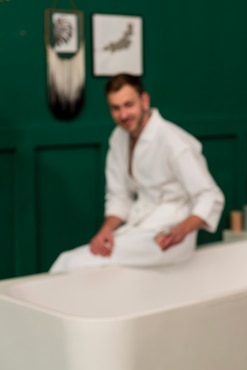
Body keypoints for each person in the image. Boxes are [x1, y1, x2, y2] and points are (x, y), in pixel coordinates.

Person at [50, 73, 224, 273]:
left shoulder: (173, 141)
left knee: (70, 263)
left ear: (144, 100)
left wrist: (180, 231)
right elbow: (119, 197)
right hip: (141, 227)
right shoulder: (118, 138)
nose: (123, 115)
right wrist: (104, 232)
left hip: (168, 237)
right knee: (69, 261)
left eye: (128, 105)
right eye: (115, 108)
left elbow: (211, 195)